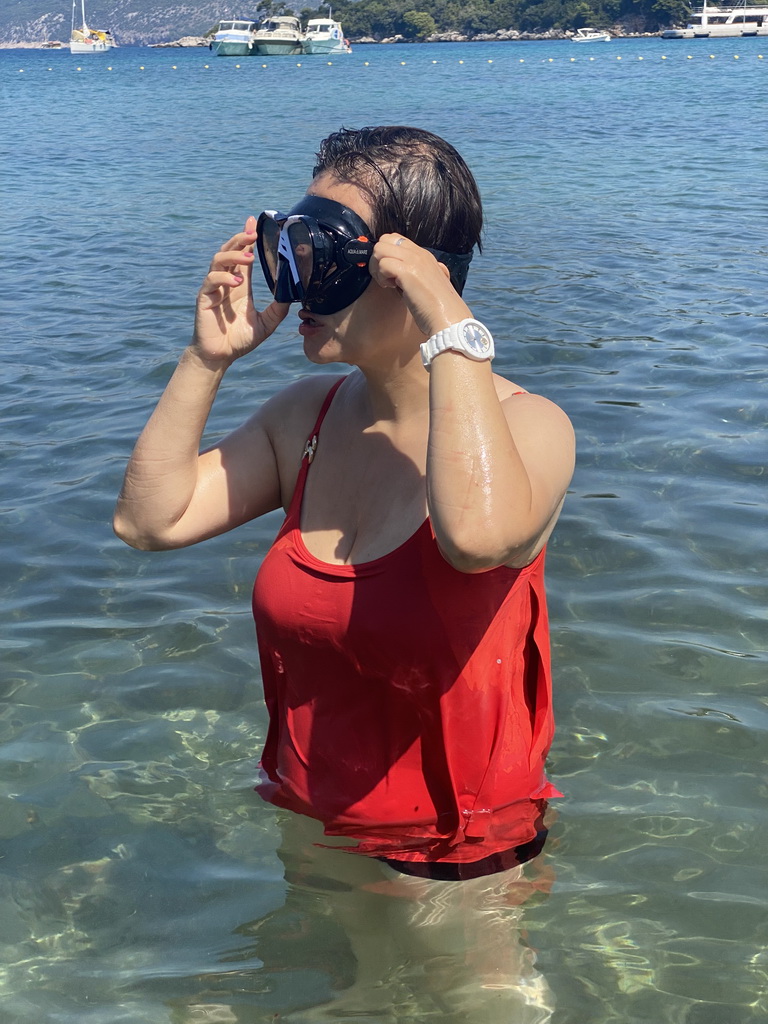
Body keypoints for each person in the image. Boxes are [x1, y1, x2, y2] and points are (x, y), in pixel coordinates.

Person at [115, 125, 574, 1017]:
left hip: (456, 854)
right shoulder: (306, 419)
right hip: (312, 820)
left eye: (328, 252)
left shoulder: (533, 430)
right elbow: (149, 519)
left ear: (414, 271)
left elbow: (477, 537)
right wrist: (207, 359)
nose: (298, 279)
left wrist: (453, 326)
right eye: (297, 240)